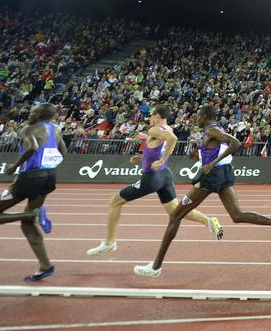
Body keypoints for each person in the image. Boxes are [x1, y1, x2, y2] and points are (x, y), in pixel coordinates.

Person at [134, 105, 271, 277]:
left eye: (198, 115)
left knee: (175, 216)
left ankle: (156, 267)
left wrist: (211, 163)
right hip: (225, 173)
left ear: (204, 116)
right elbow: (214, 148)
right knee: (237, 215)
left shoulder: (213, 130)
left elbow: (236, 143)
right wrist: (199, 156)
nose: (196, 118)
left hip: (213, 175)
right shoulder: (212, 130)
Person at [87, 104, 223, 256]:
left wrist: (161, 159)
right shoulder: (168, 128)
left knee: (115, 201)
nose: (150, 118)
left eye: (152, 115)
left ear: (157, 116)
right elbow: (163, 145)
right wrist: (145, 158)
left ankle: (109, 243)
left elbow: (173, 139)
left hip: (151, 177)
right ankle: (209, 221)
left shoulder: (153, 130)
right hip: (164, 174)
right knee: (175, 210)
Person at [0, 104, 64, 282]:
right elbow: (63, 152)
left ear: (39, 114)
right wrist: (48, 167)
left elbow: (32, 147)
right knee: (27, 225)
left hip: (28, 178)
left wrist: (14, 167)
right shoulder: (56, 129)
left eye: (32, 111)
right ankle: (46, 266)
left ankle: (30, 213)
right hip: (49, 177)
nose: (29, 113)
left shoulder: (28, 129)